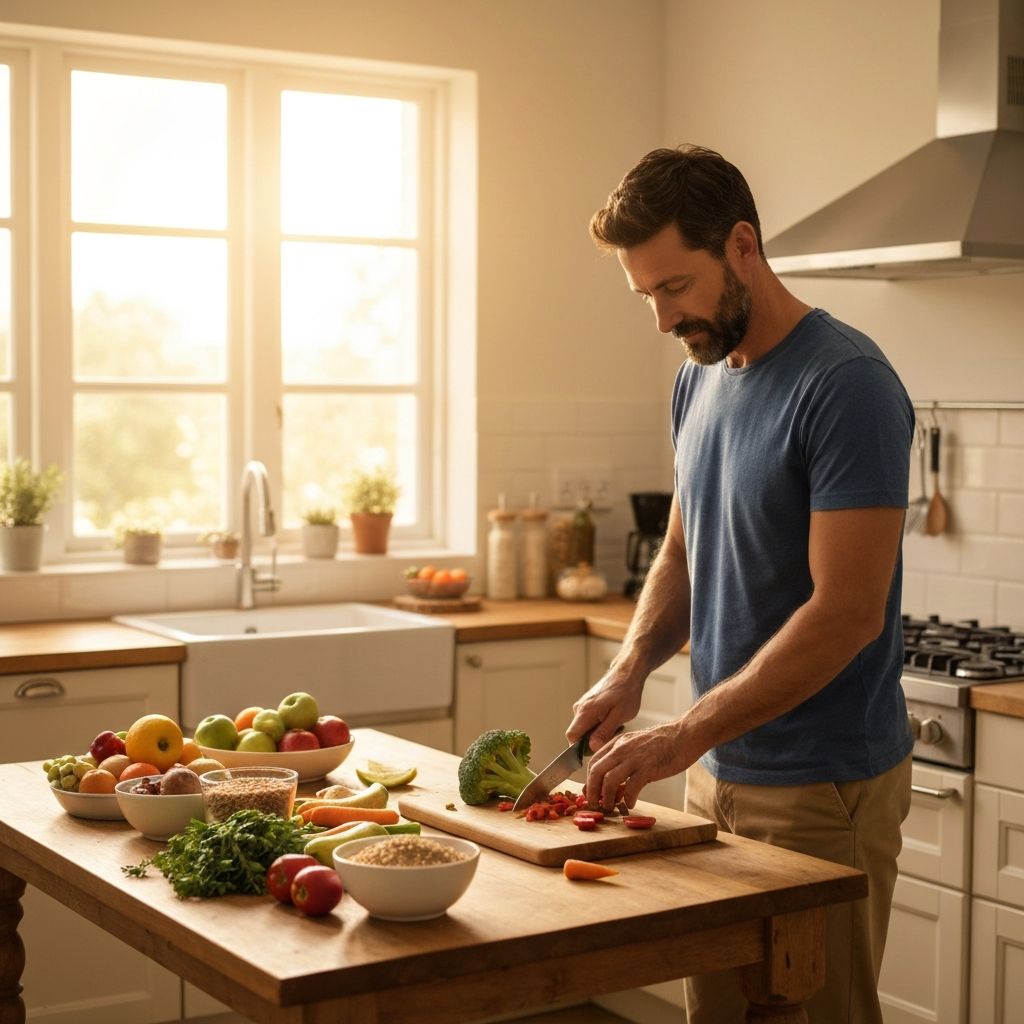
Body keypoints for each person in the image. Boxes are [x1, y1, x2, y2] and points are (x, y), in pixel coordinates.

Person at [568, 144, 914, 1024]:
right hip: (716, 768)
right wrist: (630, 669)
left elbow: (848, 614)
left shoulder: (847, 384)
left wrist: (680, 735)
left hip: (818, 786)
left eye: (675, 286)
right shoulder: (699, 379)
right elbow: (683, 553)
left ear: (742, 246)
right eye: (645, 295)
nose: (662, 318)